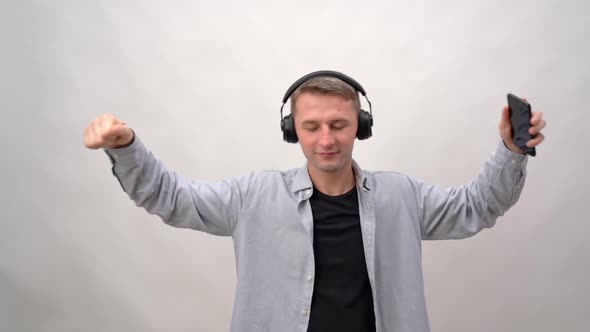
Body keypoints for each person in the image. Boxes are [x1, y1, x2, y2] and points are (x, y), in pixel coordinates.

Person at [83, 71, 546, 332]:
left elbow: (477, 207)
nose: (326, 139)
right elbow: (170, 198)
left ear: (360, 126)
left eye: (339, 125)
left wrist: (511, 151)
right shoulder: (252, 197)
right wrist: (126, 147)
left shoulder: (401, 196)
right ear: (293, 131)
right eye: (311, 126)